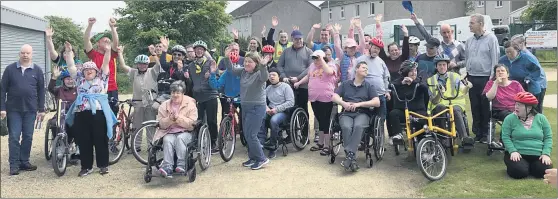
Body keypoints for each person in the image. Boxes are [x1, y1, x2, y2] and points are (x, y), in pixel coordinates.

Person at [65, 40, 118, 177]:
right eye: (86, 69)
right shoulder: (79, 80)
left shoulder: (102, 79)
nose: (89, 71)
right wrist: (69, 52)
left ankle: (103, 165)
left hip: (99, 112)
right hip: (82, 113)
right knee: (84, 140)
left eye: (91, 69)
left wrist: (107, 51)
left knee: (100, 139)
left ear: (96, 71)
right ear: (83, 72)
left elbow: (106, 63)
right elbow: (71, 66)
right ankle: (86, 166)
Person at [0, 44, 46, 175]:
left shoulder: (37, 70)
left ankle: (24, 161)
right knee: (14, 137)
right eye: (23, 53)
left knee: (28, 136)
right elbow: (2, 90)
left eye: (28, 53)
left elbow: (41, 91)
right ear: (19, 54)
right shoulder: (10, 69)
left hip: (30, 110)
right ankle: (14, 165)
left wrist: (41, 109)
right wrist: (2, 108)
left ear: (32, 54)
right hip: (13, 110)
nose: (25, 55)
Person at [458, 14, 500, 143]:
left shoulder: (491, 39)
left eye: (472, 23)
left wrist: (492, 79)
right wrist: (466, 74)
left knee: (485, 106)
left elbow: (495, 59)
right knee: (475, 106)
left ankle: (486, 133)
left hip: (486, 78)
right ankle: (477, 133)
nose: (469, 25)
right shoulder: (469, 40)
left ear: (480, 24)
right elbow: (468, 60)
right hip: (472, 78)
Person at [332, 61, 380, 171]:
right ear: (356, 69)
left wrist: (359, 104)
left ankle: (350, 156)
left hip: (362, 113)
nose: (366, 70)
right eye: (363, 67)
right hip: (346, 113)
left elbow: (377, 102)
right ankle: (351, 158)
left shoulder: (369, 86)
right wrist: (344, 103)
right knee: (346, 127)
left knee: (358, 126)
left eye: (367, 69)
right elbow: (334, 96)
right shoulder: (345, 84)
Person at [227, 52, 272, 170]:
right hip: (245, 106)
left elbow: (265, 77)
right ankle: (253, 157)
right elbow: (231, 70)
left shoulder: (259, 73)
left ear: (256, 63)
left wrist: (263, 65)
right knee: (247, 134)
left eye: (250, 62)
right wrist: (227, 58)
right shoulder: (243, 71)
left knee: (252, 135)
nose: (246, 63)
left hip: (257, 107)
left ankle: (262, 158)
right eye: (245, 61)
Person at [117, 45, 163, 153]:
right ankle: (136, 146)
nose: (142, 66)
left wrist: (153, 54)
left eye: (144, 64)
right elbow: (123, 66)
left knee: (150, 125)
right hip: (137, 103)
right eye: (140, 64)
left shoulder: (152, 71)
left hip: (150, 103)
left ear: (147, 64)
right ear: (137, 64)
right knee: (136, 125)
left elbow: (159, 65)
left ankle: (151, 145)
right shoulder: (134, 72)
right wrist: (120, 53)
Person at [295, 50, 337, 156]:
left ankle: (327, 145)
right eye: (313, 58)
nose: (315, 60)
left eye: (316, 58)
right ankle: (321, 143)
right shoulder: (312, 66)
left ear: (323, 58)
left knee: (325, 122)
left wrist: (322, 60)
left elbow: (329, 72)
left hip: (326, 98)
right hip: (314, 98)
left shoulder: (331, 65)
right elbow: (308, 76)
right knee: (320, 120)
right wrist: (299, 82)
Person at [501, 92, 553, 179]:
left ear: (529, 108)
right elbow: (505, 137)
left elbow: (548, 137)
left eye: (520, 105)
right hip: (517, 153)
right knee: (519, 172)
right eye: (516, 104)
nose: (516, 107)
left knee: (544, 171)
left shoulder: (541, 118)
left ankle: (530, 166)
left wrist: (546, 154)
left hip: (537, 154)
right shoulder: (509, 119)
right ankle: (522, 166)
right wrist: (512, 151)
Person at [152, 81, 198, 178]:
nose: (175, 95)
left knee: (180, 139)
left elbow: (191, 124)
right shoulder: (164, 105)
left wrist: (178, 119)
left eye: (178, 92)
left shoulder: (190, 104)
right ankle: (167, 167)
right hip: (169, 131)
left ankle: (181, 165)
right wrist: (170, 119)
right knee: (167, 139)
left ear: (182, 93)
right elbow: (160, 124)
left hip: (186, 131)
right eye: (173, 92)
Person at [427, 54, 474, 148]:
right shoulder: (431, 80)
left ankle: (464, 138)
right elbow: (434, 101)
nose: (442, 67)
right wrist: (439, 94)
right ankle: (444, 137)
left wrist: (468, 87)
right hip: (439, 105)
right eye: (439, 65)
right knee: (441, 108)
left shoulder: (455, 76)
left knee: (456, 109)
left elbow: (462, 90)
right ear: (436, 66)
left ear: (447, 65)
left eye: (444, 64)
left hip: (456, 103)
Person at [47, 42, 79, 164]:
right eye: (67, 79)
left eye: (71, 79)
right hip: (61, 114)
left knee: (77, 123)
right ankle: (59, 145)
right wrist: (54, 78)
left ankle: (75, 148)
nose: (70, 81)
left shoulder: (78, 90)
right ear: (64, 80)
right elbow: (50, 88)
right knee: (55, 123)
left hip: (74, 114)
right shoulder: (59, 89)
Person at [186, 40, 219, 154]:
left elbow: (217, 77)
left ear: (204, 51)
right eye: (197, 49)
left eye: (201, 49)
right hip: (198, 98)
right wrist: (187, 78)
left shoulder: (211, 62)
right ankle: (198, 141)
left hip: (210, 96)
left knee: (212, 121)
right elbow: (191, 83)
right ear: (194, 51)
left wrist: (211, 75)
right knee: (198, 121)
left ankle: (214, 142)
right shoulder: (191, 66)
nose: (199, 51)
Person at [83, 17, 120, 114]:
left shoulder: (111, 54)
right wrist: (90, 25)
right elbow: (86, 40)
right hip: (96, 88)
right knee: (99, 114)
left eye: (109, 41)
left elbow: (116, 43)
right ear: (98, 43)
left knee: (113, 114)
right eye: (105, 41)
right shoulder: (93, 54)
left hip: (112, 88)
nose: (108, 42)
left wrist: (112, 28)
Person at [387, 61, 429, 145]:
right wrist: (402, 84)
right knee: (393, 113)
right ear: (405, 72)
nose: (414, 73)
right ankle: (398, 134)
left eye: (415, 70)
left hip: (418, 111)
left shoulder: (419, 81)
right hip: (403, 111)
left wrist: (413, 82)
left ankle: (422, 141)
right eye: (411, 71)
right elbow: (391, 85)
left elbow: (425, 88)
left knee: (421, 121)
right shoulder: (399, 81)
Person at [499, 41, 545, 113]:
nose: (508, 54)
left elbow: (536, 71)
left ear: (517, 50)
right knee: (519, 112)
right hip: (513, 88)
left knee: (533, 112)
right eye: (506, 52)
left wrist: (529, 79)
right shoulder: (502, 60)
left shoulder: (527, 58)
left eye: (510, 52)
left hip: (529, 87)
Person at [261, 68, 295, 158]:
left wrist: (276, 109)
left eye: (274, 75)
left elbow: (291, 102)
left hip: (283, 112)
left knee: (274, 120)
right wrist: (267, 108)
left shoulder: (285, 87)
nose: (271, 77)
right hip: (270, 110)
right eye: (270, 75)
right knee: (261, 117)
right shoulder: (268, 88)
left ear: (278, 77)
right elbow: (262, 100)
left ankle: (273, 144)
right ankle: (261, 142)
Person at [277, 30, 313, 114]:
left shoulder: (309, 52)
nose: (299, 41)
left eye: (300, 38)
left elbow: (311, 67)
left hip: (303, 85)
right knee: (289, 107)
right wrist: (284, 77)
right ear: (292, 39)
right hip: (288, 84)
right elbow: (279, 65)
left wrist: (298, 78)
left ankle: (304, 126)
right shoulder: (286, 52)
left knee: (303, 107)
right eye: (296, 39)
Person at [510, 34, 547, 113]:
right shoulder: (519, 55)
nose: (514, 47)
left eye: (515, 45)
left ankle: (540, 125)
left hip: (539, 85)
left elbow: (537, 72)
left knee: (536, 111)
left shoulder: (528, 56)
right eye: (512, 45)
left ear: (522, 43)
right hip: (532, 85)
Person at [354, 37, 390, 118]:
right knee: (364, 118)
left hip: (380, 94)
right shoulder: (360, 60)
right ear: (369, 46)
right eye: (374, 48)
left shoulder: (381, 62)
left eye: (378, 49)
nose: (376, 50)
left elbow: (386, 77)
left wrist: (387, 91)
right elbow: (353, 75)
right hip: (365, 94)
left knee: (381, 118)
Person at [210, 43, 243, 128]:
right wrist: (213, 73)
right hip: (229, 97)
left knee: (244, 119)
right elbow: (216, 85)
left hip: (242, 97)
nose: (234, 52)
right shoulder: (226, 72)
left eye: (236, 50)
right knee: (226, 116)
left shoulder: (243, 69)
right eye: (232, 50)